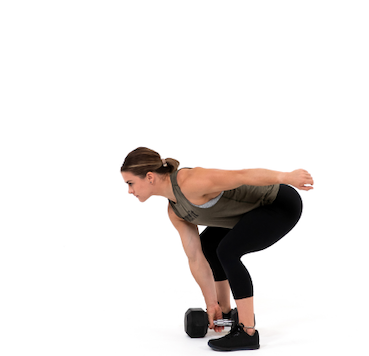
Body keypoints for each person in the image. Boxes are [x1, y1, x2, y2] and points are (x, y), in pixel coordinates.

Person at [120, 147, 312, 351]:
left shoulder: (191, 181)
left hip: (278, 205)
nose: (129, 190)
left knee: (228, 251)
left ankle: (248, 332)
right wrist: (212, 304)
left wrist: (287, 176)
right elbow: (195, 257)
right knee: (209, 245)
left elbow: (242, 175)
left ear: (150, 177)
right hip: (249, 213)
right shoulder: (175, 211)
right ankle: (226, 311)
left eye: (130, 183)